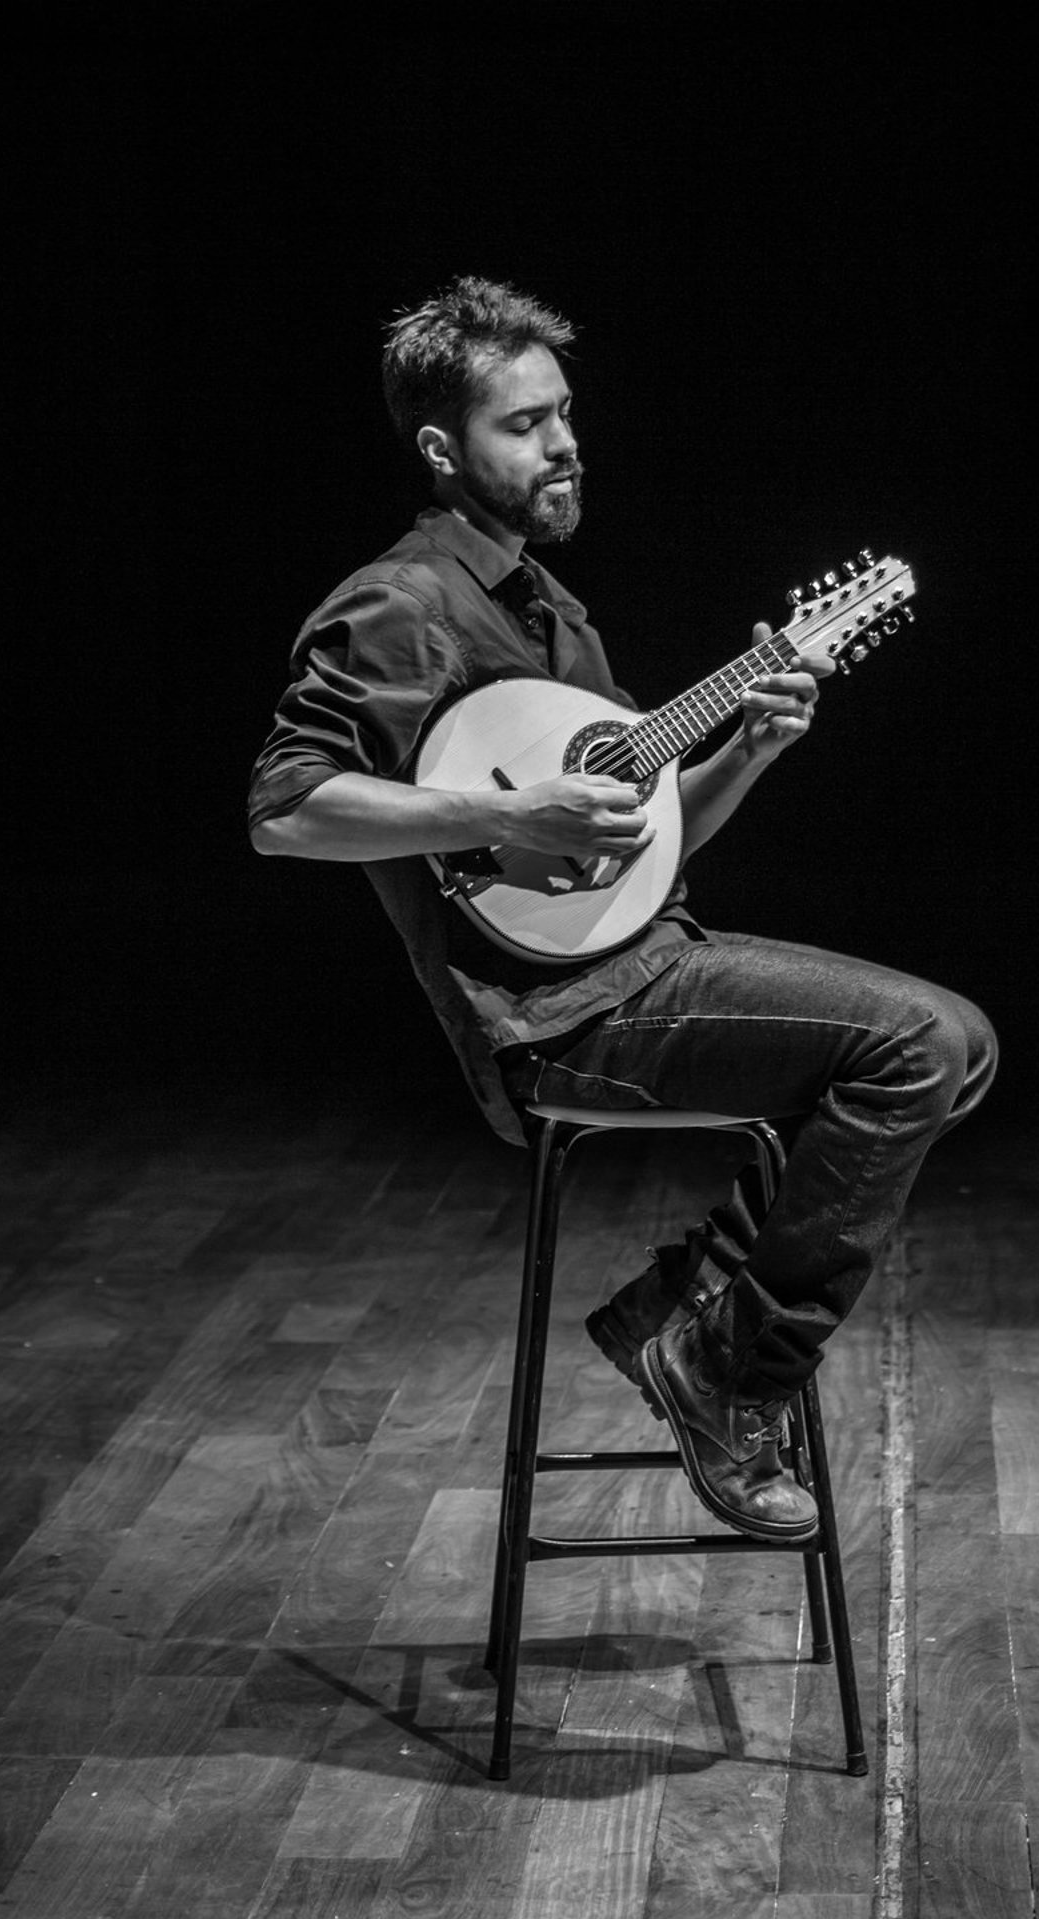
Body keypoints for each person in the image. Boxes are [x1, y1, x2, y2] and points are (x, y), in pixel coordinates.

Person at [249, 275, 996, 1541]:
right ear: (442, 450)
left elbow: (645, 856)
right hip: (552, 1019)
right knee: (919, 1041)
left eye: (566, 415)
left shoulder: (555, 617)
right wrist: (499, 817)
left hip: (638, 966)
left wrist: (748, 749)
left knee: (958, 1046)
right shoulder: (401, 606)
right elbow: (283, 809)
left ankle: (688, 1303)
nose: (562, 444)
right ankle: (722, 1372)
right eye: (524, 425)